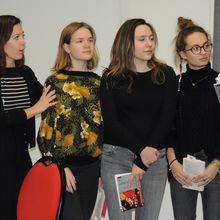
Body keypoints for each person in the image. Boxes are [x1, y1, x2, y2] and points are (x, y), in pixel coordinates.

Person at [100, 18, 177, 220]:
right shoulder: (111, 77)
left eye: (151, 38)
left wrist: (144, 159)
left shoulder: (165, 74)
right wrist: (141, 153)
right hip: (119, 160)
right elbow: (111, 122)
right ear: (127, 43)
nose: (149, 43)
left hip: (154, 160)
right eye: (142, 39)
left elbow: (167, 118)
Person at [37, 21, 103, 220]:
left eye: (90, 40)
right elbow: (46, 131)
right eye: (80, 41)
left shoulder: (98, 83)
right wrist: (61, 167)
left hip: (92, 167)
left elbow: (103, 127)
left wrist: (103, 169)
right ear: (67, 47)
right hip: (64, 166)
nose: (87, 45)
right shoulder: (55, 82)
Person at [0, 15, 56, 220]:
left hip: (20, 154)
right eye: (16, 37)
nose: (23, 42)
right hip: (2, 155)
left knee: (21, 210)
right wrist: (35, 109)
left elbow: (47, 98)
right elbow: (3, 119)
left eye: (23, 35)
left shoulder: (25, 73)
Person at [167, 17, 220, 220]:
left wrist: (215, 165)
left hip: (214, 168)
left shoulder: (218, 82)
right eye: (196, 48)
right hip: (181, 168)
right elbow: (168, 129)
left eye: (206, 45)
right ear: (183, 54)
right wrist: (173, 164)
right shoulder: (174, 85)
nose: (204, 51)